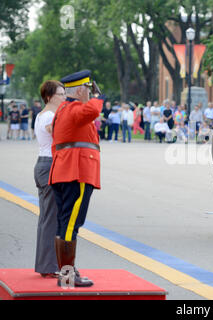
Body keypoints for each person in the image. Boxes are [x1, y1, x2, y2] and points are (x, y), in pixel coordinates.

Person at [49, 70, 104, 287]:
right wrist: (94, 97)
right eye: (88, 89)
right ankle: (67, 276)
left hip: (64, 171)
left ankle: (66, 271)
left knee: (64, 224)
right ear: (81, 90)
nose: (91, 93)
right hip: (76, 171)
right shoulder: (75, 109)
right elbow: (93, 109)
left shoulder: (63, 109)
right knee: (71, 224)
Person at [34, 80, 66, 278]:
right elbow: (60, 135)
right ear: (49, 96)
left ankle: (47, 264)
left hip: (46, 164)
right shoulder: (49, 116)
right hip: (49, 165)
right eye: (60, 94)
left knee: (47, 217)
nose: (64, 97)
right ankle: (49, 265)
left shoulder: (44, 114)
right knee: (50, 218)